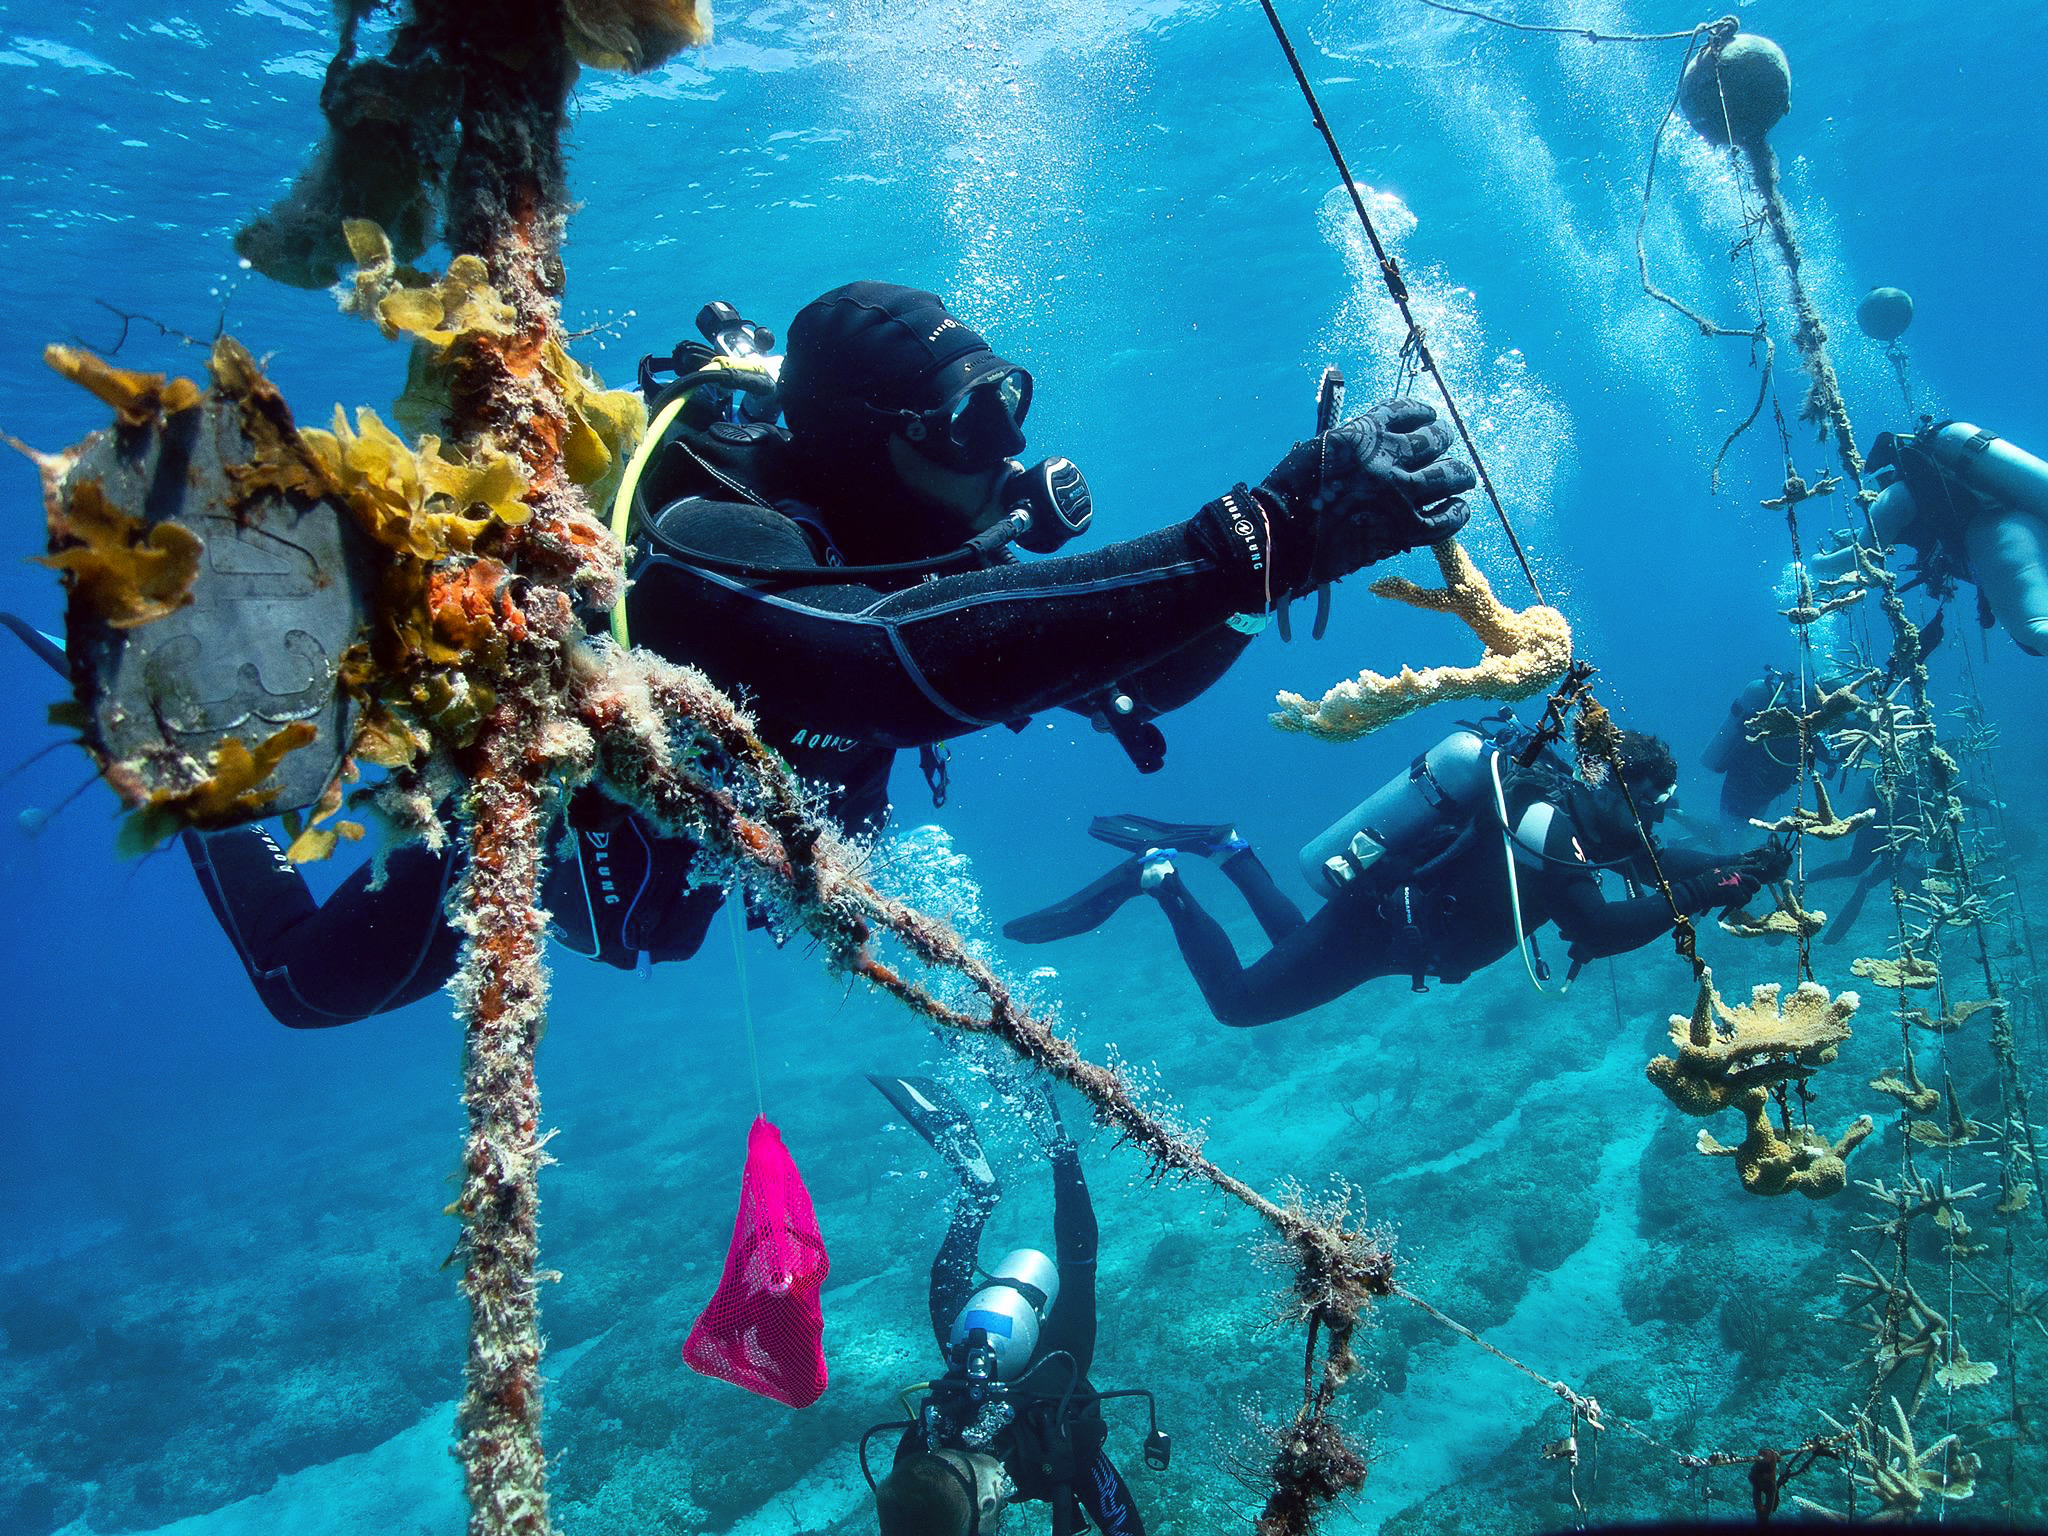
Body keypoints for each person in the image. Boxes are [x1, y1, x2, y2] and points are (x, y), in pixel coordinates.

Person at [176, 280, 1477, 1027]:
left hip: (699, 846)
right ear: (866, 440)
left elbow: (1123, 678)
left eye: (1004, 407)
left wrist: (1274, 567)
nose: (1004, 451)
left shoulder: (913, 545)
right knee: (306, 990)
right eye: (966, 422)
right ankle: (188, 763)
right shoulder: (708, 536)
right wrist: (1256, 535)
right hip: (547, 820)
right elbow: (868, 671)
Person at [1002, 717, 1791, 1027]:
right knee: (1240, 1005)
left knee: (1292, 947)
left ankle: (1233, 850)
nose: (1654, 819)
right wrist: (1710, 890)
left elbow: (1654, 864)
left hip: (1395, 936)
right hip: (1382, 926)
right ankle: (1161, 879)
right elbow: (1601, 926)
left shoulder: (1584, 822)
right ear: (1615, 787)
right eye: (1650, 801)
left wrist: (1738, 866)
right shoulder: (1550, 828)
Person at [864, 1074, 1152, 1536]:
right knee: (946, 1287)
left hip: (1051, 1370)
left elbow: (1125, 1527)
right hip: (983, 1348)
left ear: (991, 1499)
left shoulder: (1058, 1449)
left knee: (1078, 1269)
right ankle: (982, 1191)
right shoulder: (918, 1454)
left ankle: (1058, 1152)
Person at [1814, 419, 2048, 657]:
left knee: (2034, 630)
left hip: (1996, 532)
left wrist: (1816, 563)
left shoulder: (1894, 496)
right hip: (2016, 521)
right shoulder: (1936, 478)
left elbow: (1860, 555)